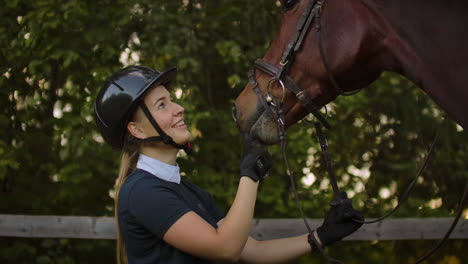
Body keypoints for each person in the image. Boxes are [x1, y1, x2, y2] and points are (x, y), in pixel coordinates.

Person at [94, 65, 364, 264]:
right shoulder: (141, 191)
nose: (179, 108)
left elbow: (252, 251)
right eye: (162, 105)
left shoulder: (187, 191)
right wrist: (250, 175)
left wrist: (321, 236)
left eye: (172, 99)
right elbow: (226, 249)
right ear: (137, 130)